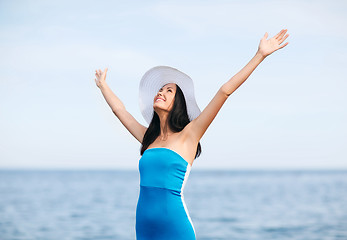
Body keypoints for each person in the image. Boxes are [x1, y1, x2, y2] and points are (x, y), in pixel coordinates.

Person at [94, 29, 289, 240]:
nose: (160, 92)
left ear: (177, 103)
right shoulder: (148, 138)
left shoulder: (190, 135)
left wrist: (259, 55)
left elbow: (224, 91)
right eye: (160, 89)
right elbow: (120, 111)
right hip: (144, 227)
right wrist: (103, 85)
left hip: (174, 227)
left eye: (169, 91)